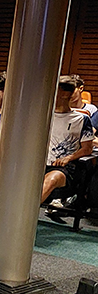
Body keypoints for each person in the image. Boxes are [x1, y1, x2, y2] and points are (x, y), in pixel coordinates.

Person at [42, 76, 94, 205]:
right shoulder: (42, 115)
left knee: (52, 179)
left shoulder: (82, 119)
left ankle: (23, 216)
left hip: (65, 169)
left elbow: (87, 148)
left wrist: (69, 158)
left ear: (66, 94)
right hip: (38, 164)